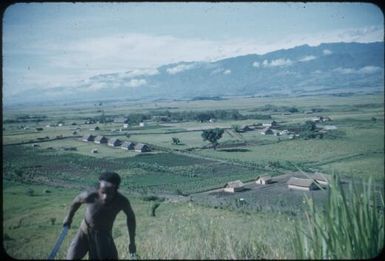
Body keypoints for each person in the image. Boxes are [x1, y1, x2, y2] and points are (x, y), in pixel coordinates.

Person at [63, 171, 136, 260]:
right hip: (83, 233)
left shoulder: (121, 201)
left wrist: (132, 242)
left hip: (103, 236)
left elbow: (131, 217)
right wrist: (69, 217)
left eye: (109, 193)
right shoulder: (89, 195)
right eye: (103, 192)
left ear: (116, 189)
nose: (105, 197)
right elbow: (76, 201)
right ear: (99, 188)